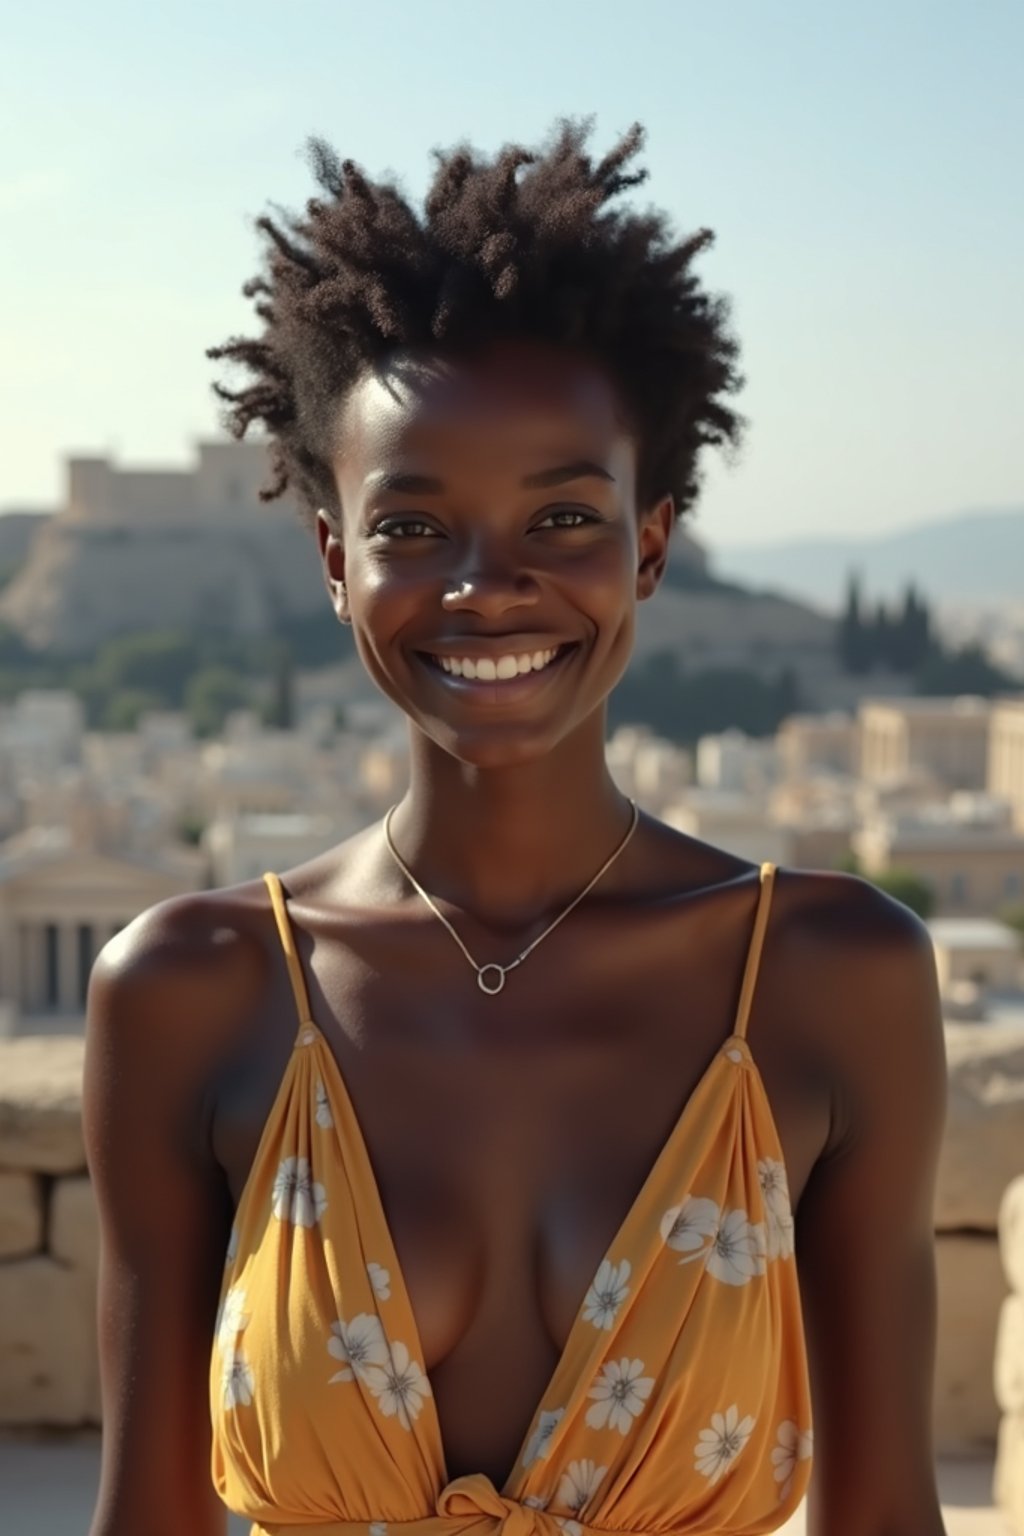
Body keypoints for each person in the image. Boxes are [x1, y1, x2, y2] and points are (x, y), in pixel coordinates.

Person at [84, 120, 949, 1536]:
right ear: (333, 559)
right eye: (416, 529)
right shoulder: (188, 987)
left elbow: (888, 1522)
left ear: (649, 546)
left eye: (561, 517)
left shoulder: (832, 974)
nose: (489, 589)